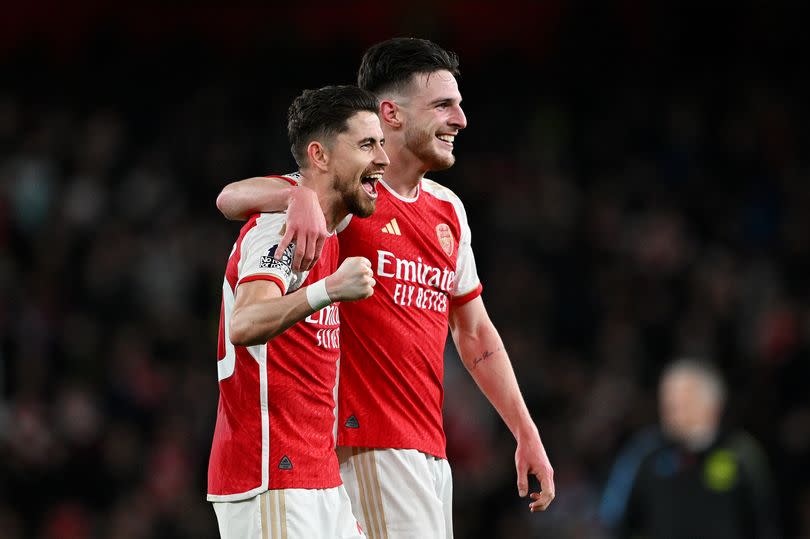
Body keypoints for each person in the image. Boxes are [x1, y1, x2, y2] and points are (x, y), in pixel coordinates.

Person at [215, 37, 554, 538]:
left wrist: (525, 430)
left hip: (427, 446)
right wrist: (301, 195)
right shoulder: (351, 199)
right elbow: (230, 198)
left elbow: (475, 331)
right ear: (390, 113)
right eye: (443, 105)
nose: (460, 119)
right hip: (362, 442)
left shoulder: (449, 211)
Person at [207, 84, 389, 538]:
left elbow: (229, 197)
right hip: (272, 476)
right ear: (321, 156)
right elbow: (245, 323)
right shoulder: (281, 231)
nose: (382, 159)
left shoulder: (329, 216)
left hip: (319, 478)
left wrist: (299, 193)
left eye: (381, 143)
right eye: (368, 144)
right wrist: (328, 289)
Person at [599, 358, 782, 539]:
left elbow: (765, 521)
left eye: (683, 398)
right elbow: (615, 517)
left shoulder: (741, 452)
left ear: (712, 403)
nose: (670, 406)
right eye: (667, 397)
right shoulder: (646, 452)